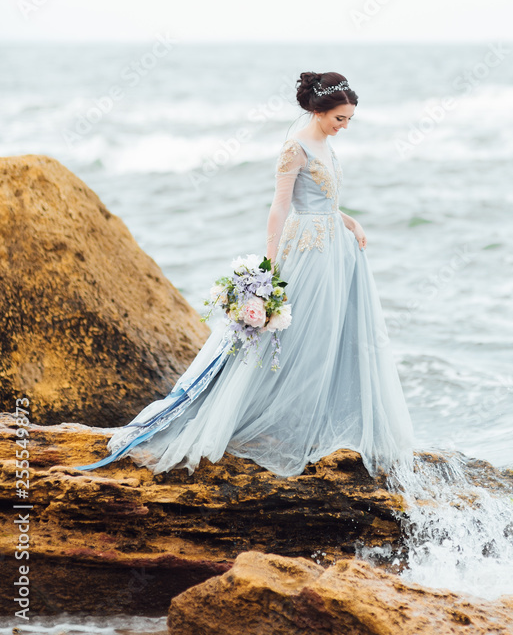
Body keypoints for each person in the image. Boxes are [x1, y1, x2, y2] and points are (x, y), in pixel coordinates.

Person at [73, 71, 415, 478]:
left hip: (337, 251)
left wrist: (350, 222)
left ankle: (317, 421)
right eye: (340, 118)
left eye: (349, 120)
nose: (344, 126)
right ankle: (267, 422)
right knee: (296, 335)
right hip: (307, 252)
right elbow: (281, 206)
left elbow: (323, 201)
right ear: (319, 110)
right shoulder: (295, 147)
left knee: (332, 336)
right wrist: (270, 267)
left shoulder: (326, 144)